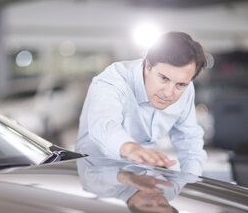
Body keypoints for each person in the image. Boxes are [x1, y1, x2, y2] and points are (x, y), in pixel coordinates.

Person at [76, 31, 208, 176]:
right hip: (98, 177)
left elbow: (189, 141)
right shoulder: (114, 79)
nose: (169, 92)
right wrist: (130, 148)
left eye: (180, 85)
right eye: (163, 78)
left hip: (145, 177)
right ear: (148, 66)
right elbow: (104, 124)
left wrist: (189, 182)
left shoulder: (186, 88)